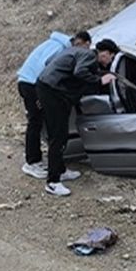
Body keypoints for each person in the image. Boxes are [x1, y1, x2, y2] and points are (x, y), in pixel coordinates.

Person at [35, 38, 119, 197]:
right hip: (52, 91)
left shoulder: (80, 52)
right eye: (111, 58)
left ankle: (60, 170)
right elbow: (80, 72)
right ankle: (53, 182)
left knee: (61, 133)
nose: (110, 62)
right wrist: (100, 80)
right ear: (105, 53)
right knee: (58, 136)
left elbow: (51, 63)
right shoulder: (89, 57)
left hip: (48, 87)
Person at [16, 30, 91, 179]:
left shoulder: (57, 44)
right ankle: (32, 162)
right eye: (86, 47)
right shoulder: (59, 48)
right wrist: (41, 94)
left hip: (32, 83)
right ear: (81, 42)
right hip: (31, 84)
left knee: (43, 122)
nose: (85, 51)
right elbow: (46, 69)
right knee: (35, 121)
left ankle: (56, 166)